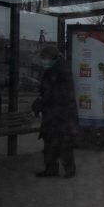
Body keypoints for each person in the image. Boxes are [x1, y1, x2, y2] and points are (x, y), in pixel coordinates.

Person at [32, 45, 78, 177]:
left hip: (59, 114)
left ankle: (60, 169)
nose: (43, 61)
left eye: (44, 58)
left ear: (51, 57)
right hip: (58, 114)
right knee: (55, 142)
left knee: (59, 142)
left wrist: (41, 102)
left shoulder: (58, 70)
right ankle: (59, 169)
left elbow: (55, 93)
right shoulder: (57, 68)